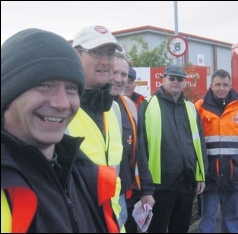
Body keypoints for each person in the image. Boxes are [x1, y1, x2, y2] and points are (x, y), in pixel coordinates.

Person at [1, 28, 119, 232]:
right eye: (45, 85)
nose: (62, 103)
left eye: (71, 88)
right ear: (8, 94)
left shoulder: (86, 177)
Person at [65, 25, 125, 230]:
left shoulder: (113, 109)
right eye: (96, 52)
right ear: (76, 55)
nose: (105, 61)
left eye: (110, 54)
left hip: (112, 223)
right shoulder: (59, 109)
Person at [138, 64, 208, 233]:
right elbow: (141, 148)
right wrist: (145, 186)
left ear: (185, 82)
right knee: (157, 229)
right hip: (159, 184)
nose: (176, 82)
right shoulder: (147, 105)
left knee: (181, 228)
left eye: (180, 79)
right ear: (163, 80)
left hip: (187, 182)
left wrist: (201, 175)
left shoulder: (191, 108)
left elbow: (199, 144)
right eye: (172, 78)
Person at [195, 69, 238, 233]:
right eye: (218, 85)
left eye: (225, 85)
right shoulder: (199, 107)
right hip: (209, 172)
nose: (221, 88)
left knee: (232, 215)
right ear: (211, 86)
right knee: (208, 215)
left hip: (232, 171)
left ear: (230, 86)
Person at [109, 53, 155, 232]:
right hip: (89, 198)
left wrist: (147, 190)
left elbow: (139, 153)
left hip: (121, 195)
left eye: (124, 75)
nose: (119, 79)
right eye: (115, 72)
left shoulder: (129, 107)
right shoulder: (81, 106)